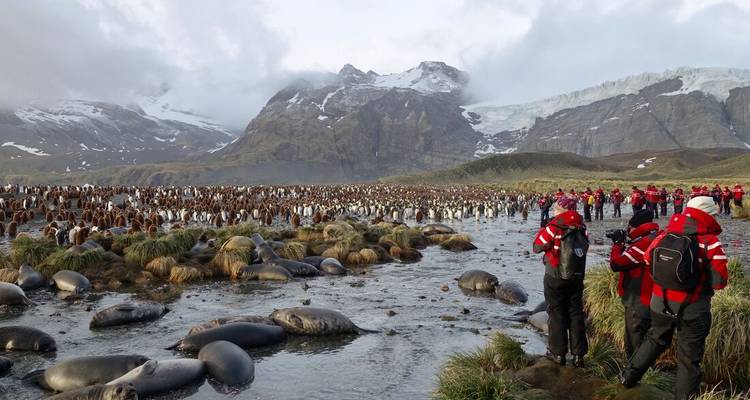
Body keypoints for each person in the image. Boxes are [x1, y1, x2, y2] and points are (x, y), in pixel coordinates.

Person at [621, 196, 729, 400]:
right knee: (688, 358)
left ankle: (628, 377)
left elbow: (647, 259)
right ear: (708, 215)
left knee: (655, 339)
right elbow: (719, 282)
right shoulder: (711, 242)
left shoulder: (664, 234)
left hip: (660, 302)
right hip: (693, 307)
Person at [533, 197, 588, 368]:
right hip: (576, 275)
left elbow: (537, 246)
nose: (555, 208)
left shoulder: (554, 226)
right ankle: (578, 355)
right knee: (576, 312)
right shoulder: (582, 226)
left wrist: (544, 230)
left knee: (556, 312)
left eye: (557, 206)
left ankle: (558, 354)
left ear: (562, 209)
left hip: (555, 275)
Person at [608, 210, 660, 358]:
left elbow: (616, 264)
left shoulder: (643, 244)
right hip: (655, 296)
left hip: (639, 298)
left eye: (629, 228)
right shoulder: (657, 237)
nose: (627, 231)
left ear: (637, 227)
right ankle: (646, 368)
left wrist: (618, 245)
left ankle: (634, 373)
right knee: (648, 337)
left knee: (634, 338)